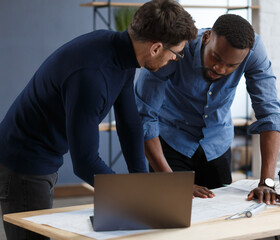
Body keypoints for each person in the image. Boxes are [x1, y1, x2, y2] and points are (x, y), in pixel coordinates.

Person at [0, 0, 197, 239]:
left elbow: (130, 124)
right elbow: (84, 162)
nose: (175, 59)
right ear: (155, 48)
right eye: (176, 53)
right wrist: (133, 199)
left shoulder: (121, 53)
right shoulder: (93, 75)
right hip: (23, 163)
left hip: (43, 153)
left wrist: (144, 185)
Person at [135, 14, 280, 203]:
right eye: (215, 57)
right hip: (171, 142)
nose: (220, 69)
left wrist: (267, 182)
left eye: (231, 66)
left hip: (216, 144)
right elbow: (144, 115)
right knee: (171, 212)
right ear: (206, 37)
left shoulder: (253, 51)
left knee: (220, 217)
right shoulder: (176, 47)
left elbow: (270, 115)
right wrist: (172, 182)